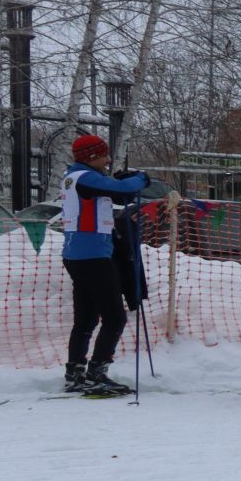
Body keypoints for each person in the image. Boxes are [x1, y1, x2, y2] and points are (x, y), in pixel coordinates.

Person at [59, 134, 149, 395]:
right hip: (92, 255)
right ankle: (97, 373)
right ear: (90, 157)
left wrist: (120, 181)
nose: (108, 160)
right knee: (114, 317)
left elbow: (113, 192)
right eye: (103, 155)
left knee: (86, 317)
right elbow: (123, 191)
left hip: (80, 254)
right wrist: (140, 178)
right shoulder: (84, 178)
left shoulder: (76, 177)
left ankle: (75, 372)